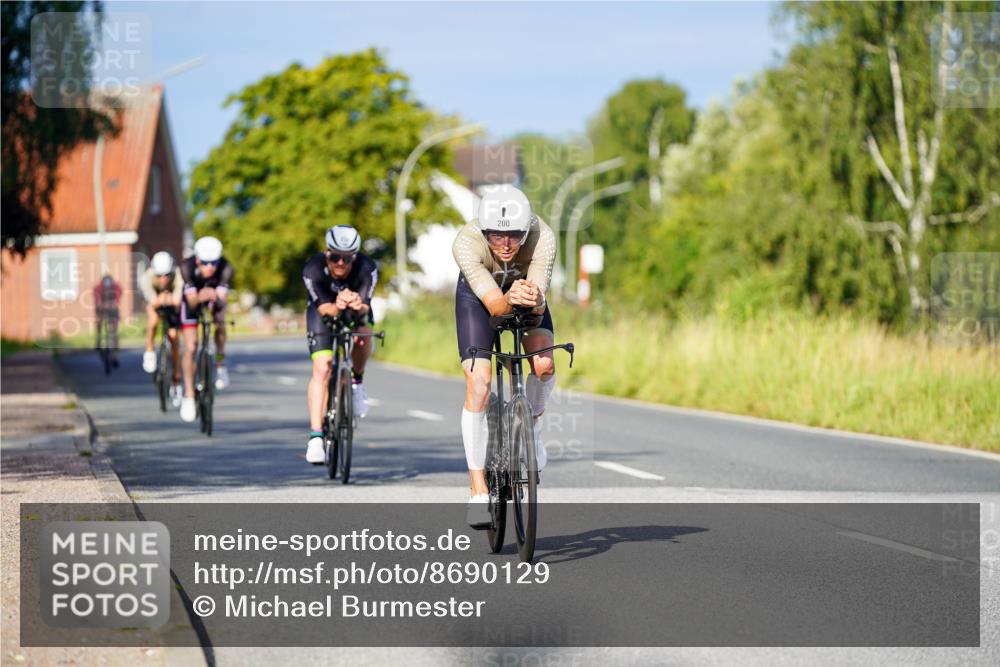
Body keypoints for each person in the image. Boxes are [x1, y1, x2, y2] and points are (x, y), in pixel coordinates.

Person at [452, 184, 557, 528]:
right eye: (497, 236)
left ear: (526, 230)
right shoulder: (466, 242)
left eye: (514, 235)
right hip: (479, 300)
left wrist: (534, 299)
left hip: (526, 295)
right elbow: (496, 307)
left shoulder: (543, 237)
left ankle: (533, 424)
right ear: (485, 232)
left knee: (543, 365)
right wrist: (508, 297)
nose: (507, 244)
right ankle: (478, 489)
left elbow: (538, 306)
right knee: (480, 384)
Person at [302, 225, 379, 464]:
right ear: (326, 252)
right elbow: (325, 309)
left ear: (355, 256)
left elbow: (365, 306)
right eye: (335, 257)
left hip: (354, 311)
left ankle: (356, 382)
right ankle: (316, 437)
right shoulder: (313, 269)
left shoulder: (367, 268)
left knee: (364, 334)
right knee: (322, 367)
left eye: (347, 258)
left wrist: (357, 304)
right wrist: (338, 303)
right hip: (324, 312)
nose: (341, 263)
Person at [178, 236, 234, 423]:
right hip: (192, 301)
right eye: (204, 263)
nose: (209, 267)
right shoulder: (186, 267)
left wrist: (215, 297)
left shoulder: (226, 268)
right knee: (191, 346)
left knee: (220, 324)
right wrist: (200, 295)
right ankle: (188, 394)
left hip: (213, 298)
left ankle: (220, 363)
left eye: (214, 263)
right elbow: (192, 302)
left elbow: (222, 301)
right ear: (197, 260)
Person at [140, 251, 184, 406]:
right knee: (153, 320)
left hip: (172, 306)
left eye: (167, 275)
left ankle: (176, 379)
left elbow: (177, 300)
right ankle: (149, 350)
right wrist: (161, 299)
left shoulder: (178, 276)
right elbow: (153, 301)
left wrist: (170, 298)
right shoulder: (147, 278)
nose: (164, 279)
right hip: (157, 303)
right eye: (160, 276)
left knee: (174, 338)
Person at [93, 274, 122, 368]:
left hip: (112, 308)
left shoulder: (116, 287)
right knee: (99, 322)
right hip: (101, 308)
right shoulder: (98, 288)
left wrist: (114, 303)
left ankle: (115, 356)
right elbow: (97, 299)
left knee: (114, 331)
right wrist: (101, 305)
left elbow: (118, 296)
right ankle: (98, 340)